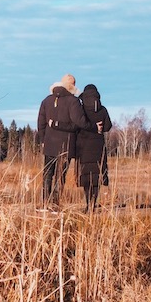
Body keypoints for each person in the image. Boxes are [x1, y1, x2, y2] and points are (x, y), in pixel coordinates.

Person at [36, 74, 87, 209]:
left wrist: (43, 139)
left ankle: (44, 203)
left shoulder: (46, 100)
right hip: (66, 144)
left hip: (49, 144)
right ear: (72, 86)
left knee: (47, 173)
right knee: (60, 175)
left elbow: (41, 123)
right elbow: (78, 123)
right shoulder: (73, 101)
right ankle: (55, 203)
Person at [76, 84, 113, 210]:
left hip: (83, 146)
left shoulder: (81, 109)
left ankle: (87, 204)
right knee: (97, 176)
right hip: (98, 146)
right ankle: (93, 204)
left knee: (86, 176)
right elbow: (108, 126)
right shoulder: (102, 109)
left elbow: (78, 124)